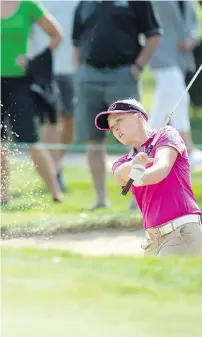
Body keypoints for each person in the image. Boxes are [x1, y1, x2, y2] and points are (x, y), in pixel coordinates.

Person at [72, 0, 162, 210]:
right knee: (92, 139)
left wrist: (138, 66)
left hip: (123, 74)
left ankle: (138, 197)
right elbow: (76, 41)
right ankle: (101, 200)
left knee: (134, 138)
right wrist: (79, 71)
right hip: (88, 76)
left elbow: (154, 35)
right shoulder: (84, 3)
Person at [94, 98, 202, 257]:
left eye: (119, 120)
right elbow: (120, 175)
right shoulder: (123, 161)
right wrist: (134, 166)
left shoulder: (166, 134)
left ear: (139, 117)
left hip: (181, 231)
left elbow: (162, 168)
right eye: (112, 127)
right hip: (153, 240)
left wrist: (140, 175)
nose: (116, 128)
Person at [1, 0, 63, 205]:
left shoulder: (28, 5)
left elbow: (56, 35)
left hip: (20, 82)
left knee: (30, 138)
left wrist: (36, 61)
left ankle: (55, 191)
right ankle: (2, 197)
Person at [148, 0, 202, 167]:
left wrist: (191, 39)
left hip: (181, 57)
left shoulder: (190, 2)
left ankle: (144, 146)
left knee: (161, 107)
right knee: (180, 99)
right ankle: (188, 149)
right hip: (161, 54)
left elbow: (194, 23)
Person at [29, 0, 79, 192]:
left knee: (70, 123)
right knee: (52, 121)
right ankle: (54, 173)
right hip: (44, 70)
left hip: (72, 69)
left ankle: (54, 164)